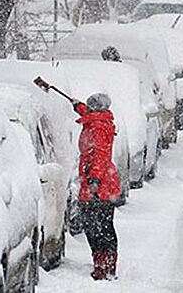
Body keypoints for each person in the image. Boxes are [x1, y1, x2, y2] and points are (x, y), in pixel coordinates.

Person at [70, 93, 120, 280]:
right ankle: (106, 263)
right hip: (103, 181)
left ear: (94, 108)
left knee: (97, 226)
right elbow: (89, 113)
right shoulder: (99, 120)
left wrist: (94, 181)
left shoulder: (97, 128)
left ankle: (103, 265)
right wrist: (77, 106)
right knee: (100, 224)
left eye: (89, 106)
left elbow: (99, 155)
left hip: (99, 185)